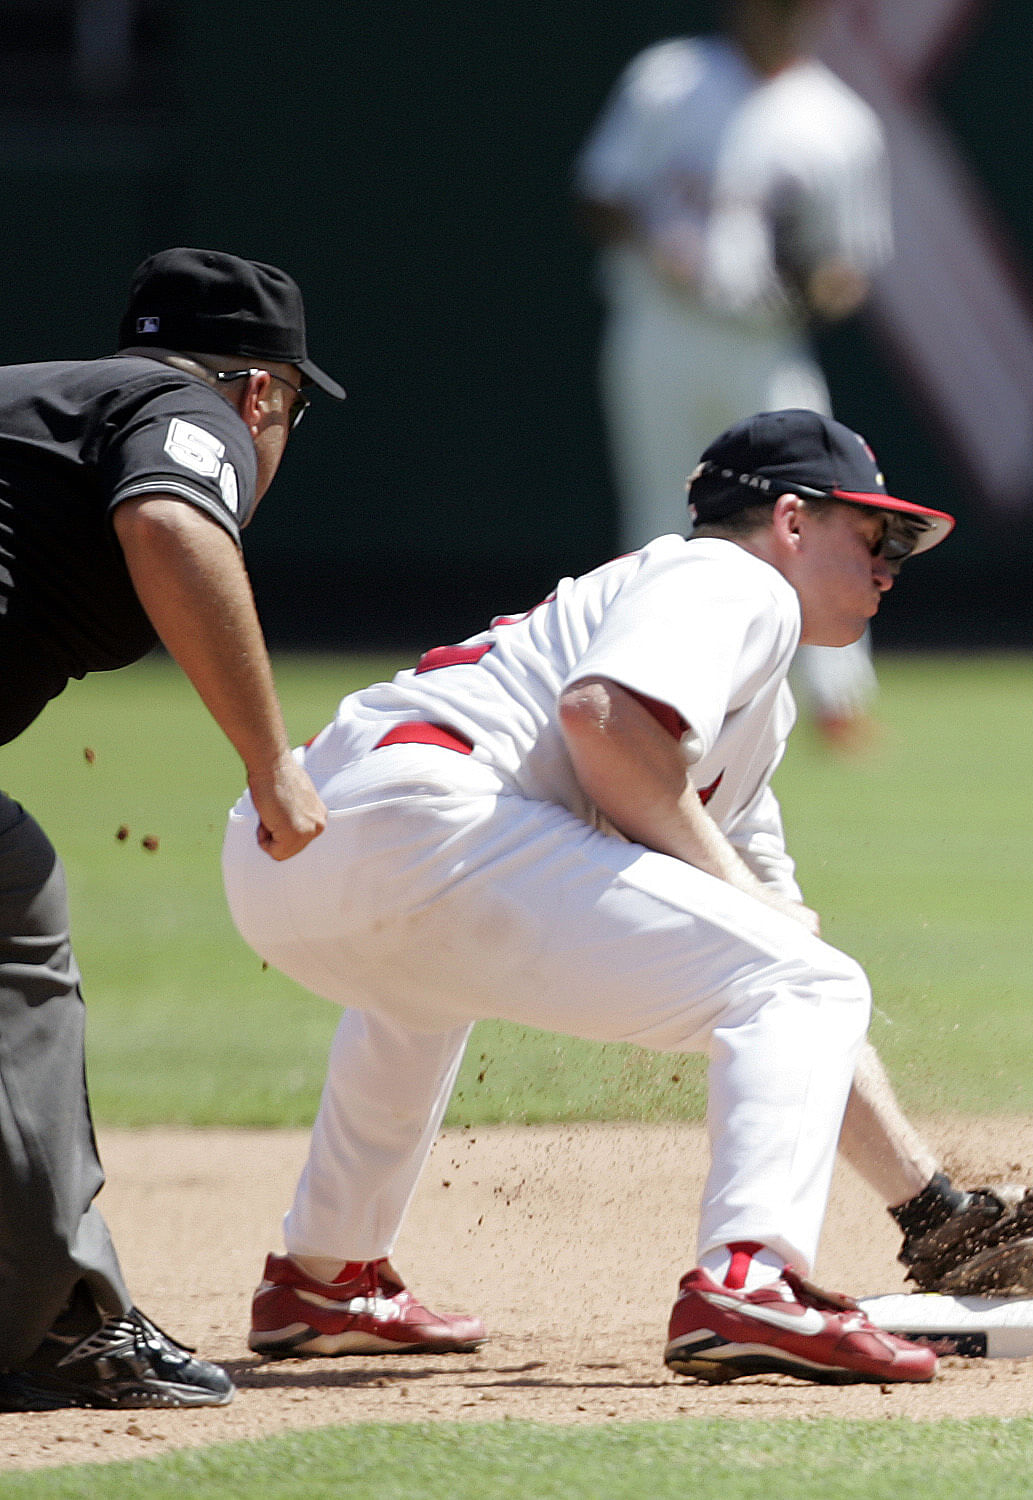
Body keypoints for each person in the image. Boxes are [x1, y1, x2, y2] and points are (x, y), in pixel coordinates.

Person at [223, 409, 972, 1386]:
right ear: (790, 521)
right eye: (875, 536)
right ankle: (751, 1280)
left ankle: (324, 1275)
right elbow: (604, 719)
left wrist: (931, 1207)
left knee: (429, 990)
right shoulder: (735, 580)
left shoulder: (745, 706)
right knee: (806, 983)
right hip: (428, 820)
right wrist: (750, 903)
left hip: (286, 850)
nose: (889, 568)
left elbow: (781, 973)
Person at [0, 249, 338, 1410]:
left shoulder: (49, 398)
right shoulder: (187, 410)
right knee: (11, 896)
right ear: (262, 393)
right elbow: (168, 522)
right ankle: (55, 1327)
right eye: (290, 408)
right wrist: (272, 764)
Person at [578, 0, 891, 752]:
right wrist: (658, 241)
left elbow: (849, 268)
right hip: (659, 325)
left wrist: (814, 281)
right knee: (659, 507)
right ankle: (640, 691)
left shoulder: (837, 121)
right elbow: (599, 190)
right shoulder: (671, 79)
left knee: (817, 510)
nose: (780, 17)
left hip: (764, 341)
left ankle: (839, 702)